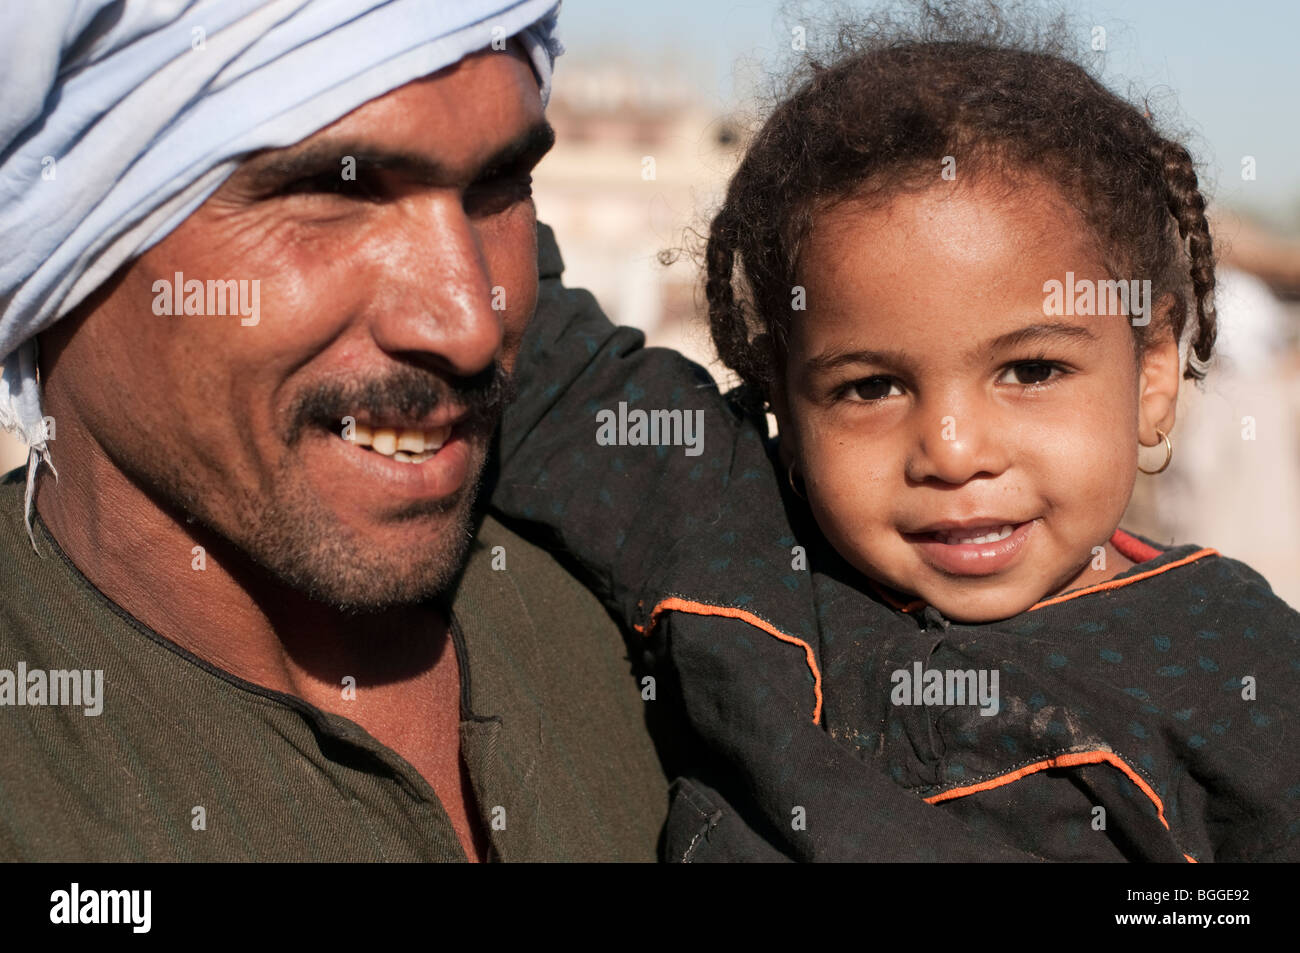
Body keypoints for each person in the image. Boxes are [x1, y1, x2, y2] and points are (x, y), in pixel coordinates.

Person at [489, 6, 1300, 861]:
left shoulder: (1234, 665)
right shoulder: (735, 538)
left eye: (1030, 371)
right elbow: (542, 353)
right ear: (785, 408)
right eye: (870, 386)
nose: (953, 450)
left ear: (1152, 374)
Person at [0, 0, 670, 862]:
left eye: (498, 186)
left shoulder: (650, 607)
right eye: (335, 192)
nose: (470, 320)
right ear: (68, 242)